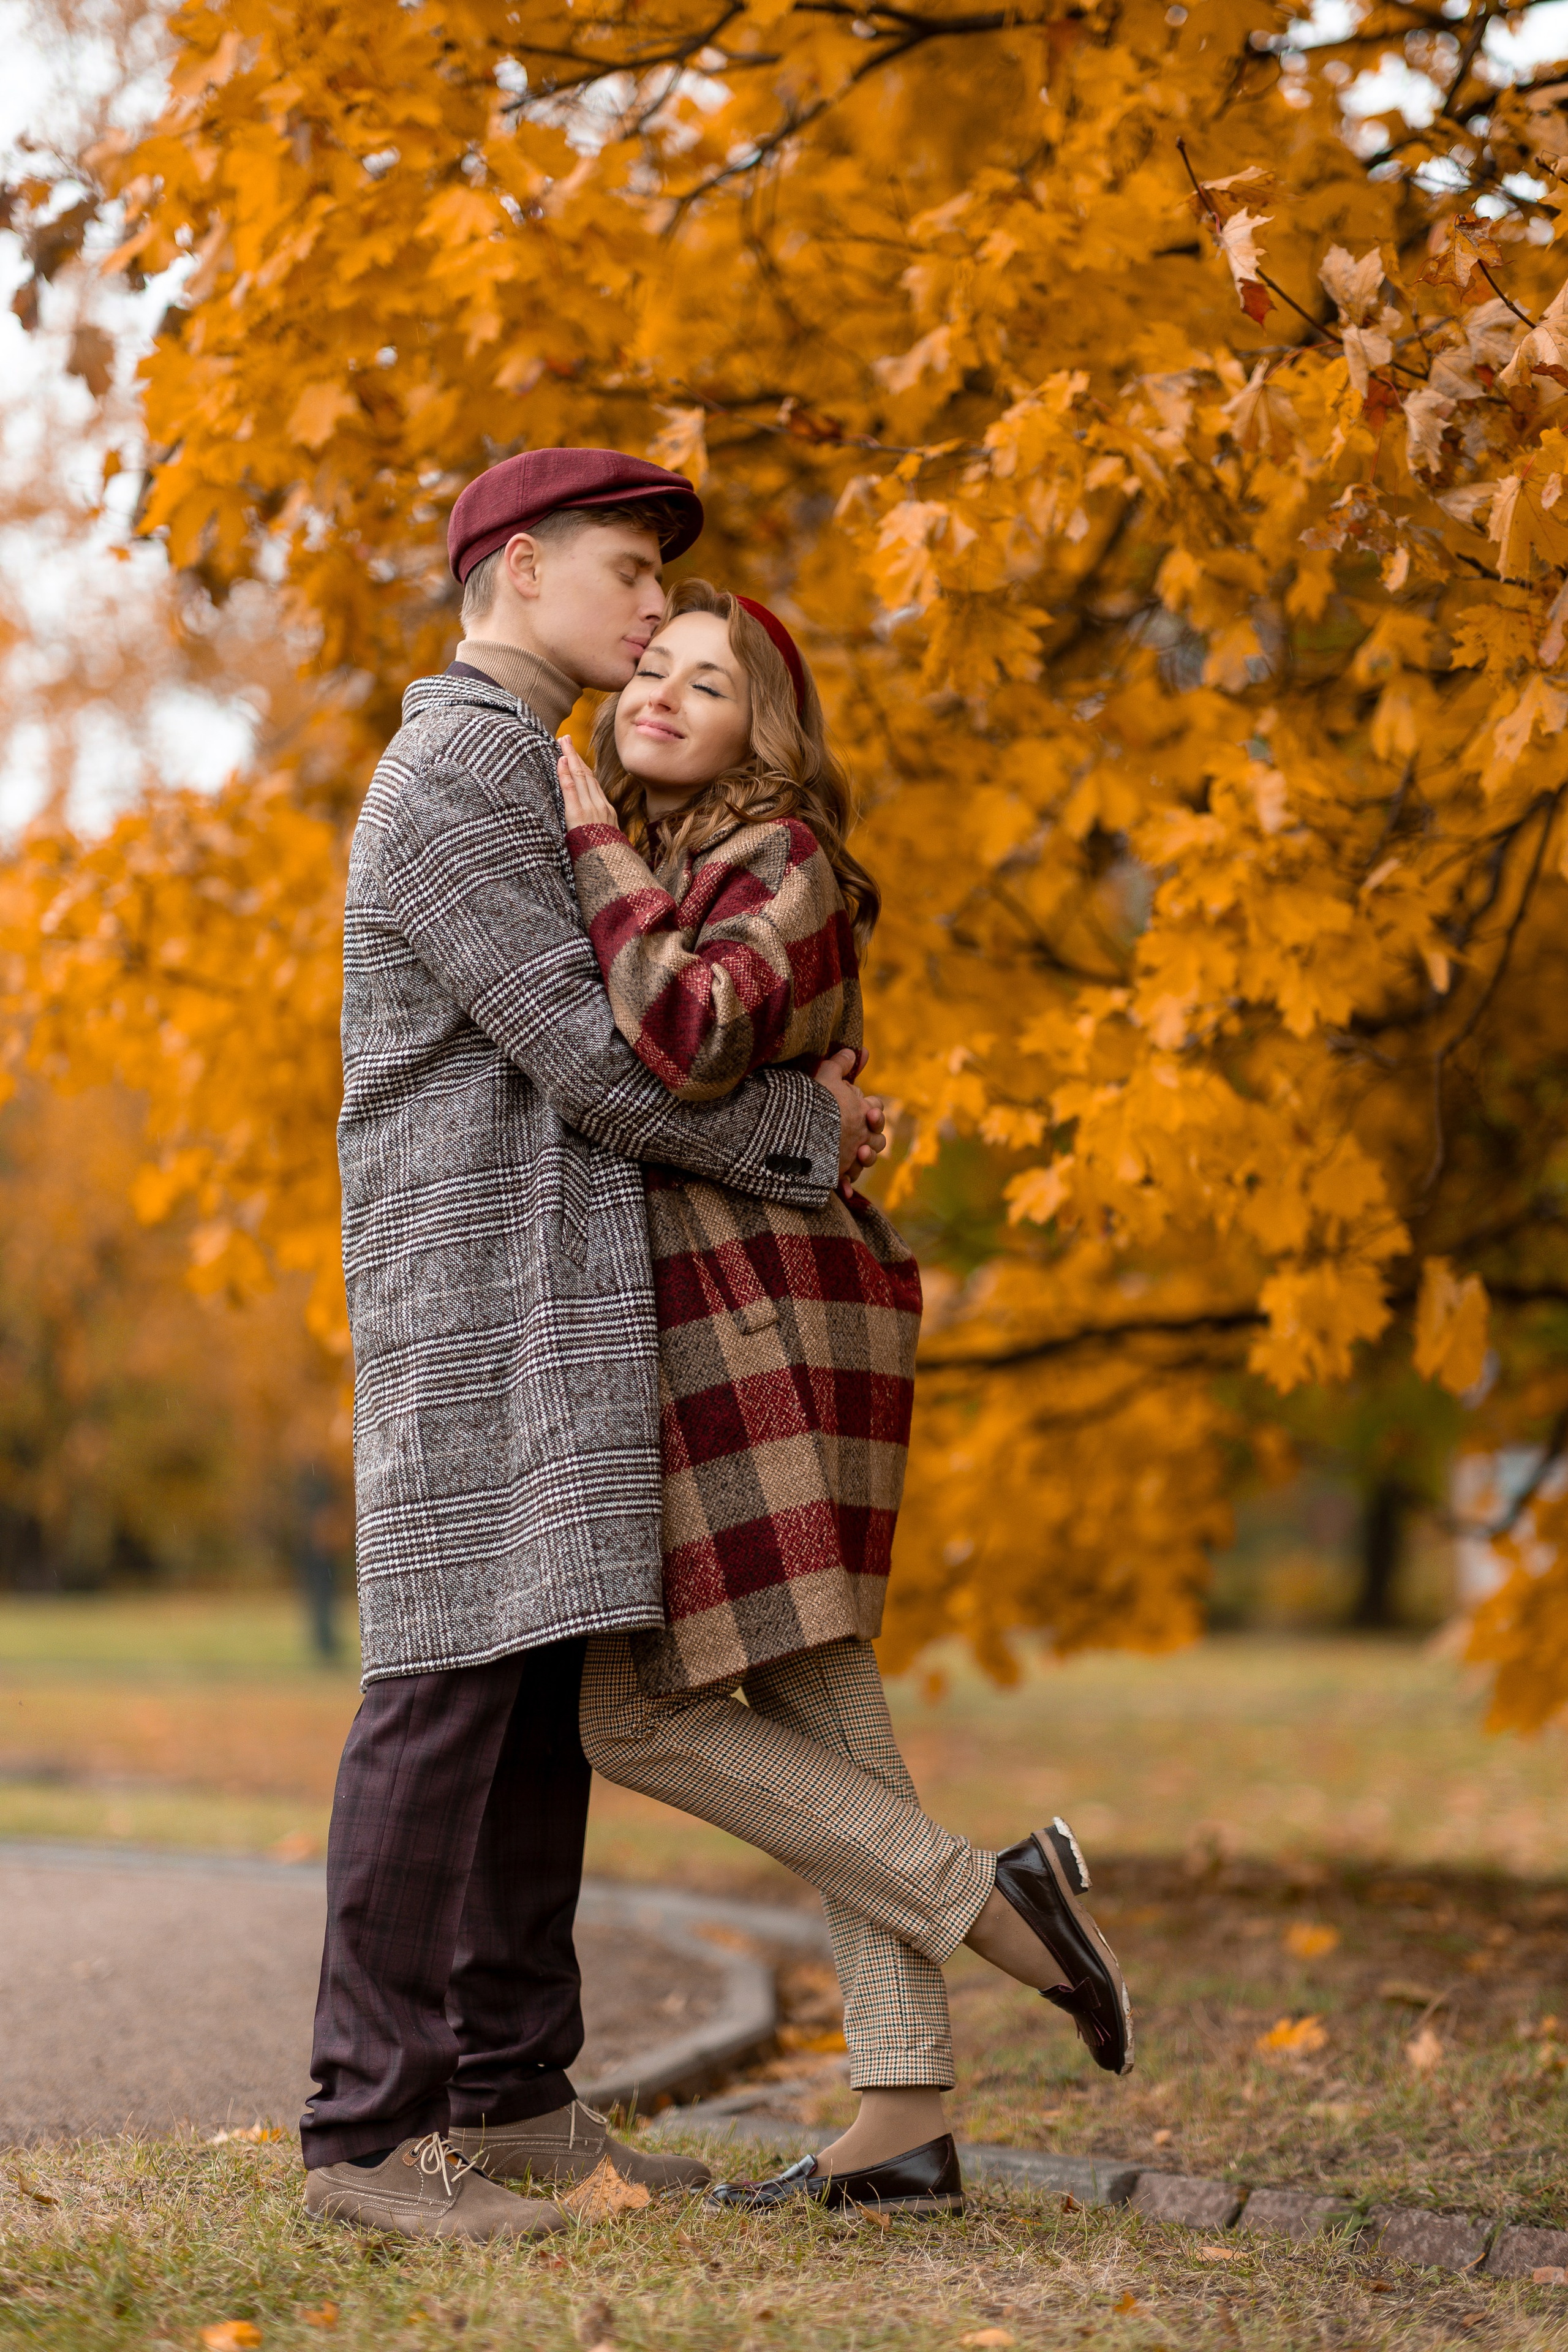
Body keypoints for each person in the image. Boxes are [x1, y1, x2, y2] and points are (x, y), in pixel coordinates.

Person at [302, 450, 891, 2242]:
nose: (652, 617)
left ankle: (516, 2102)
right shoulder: (462, 774)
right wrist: (810, 1140)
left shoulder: (536, 776)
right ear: (519, 568)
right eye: (630, 573)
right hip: (477, 1291)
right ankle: (367, 2140)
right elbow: (598, 1061)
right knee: (439, 1695)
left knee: (536, 1688)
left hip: (564, 1289)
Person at [556, 579, 1134, 2220]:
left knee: (635, 1709)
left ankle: (992, 1900)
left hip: (758, 1313)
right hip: (716, 1302)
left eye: (709, 684)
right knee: (815, 1701)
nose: (661, 694)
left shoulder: (782, 857)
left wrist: (583, 822)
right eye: (650, 668)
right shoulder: (675, 858)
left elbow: (678, 1023)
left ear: (768, 731)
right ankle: (906, 2115)